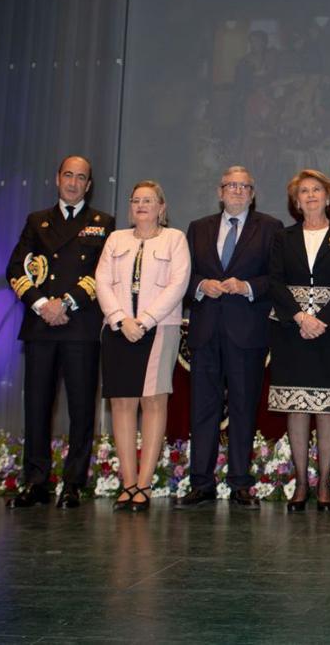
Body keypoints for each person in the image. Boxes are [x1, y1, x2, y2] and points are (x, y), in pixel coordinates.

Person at [5, 156, 115, 510]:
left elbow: (103, 273)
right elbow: (14, 268)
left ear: (89, 184)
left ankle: (73, 482)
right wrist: (42, 305)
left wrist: (65, 303)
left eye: (80, 177)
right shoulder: (37, 221)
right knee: (36, 405)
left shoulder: (102, 223)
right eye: (68, 175)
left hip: (79, 326)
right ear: (57, 179)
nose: (73, 182)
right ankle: (35, 480)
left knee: (81, 409)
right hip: (41, 326)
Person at [176, 166, 282, 510]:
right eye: (231, 185)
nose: (237, 190)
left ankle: (240, 482)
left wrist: (248, 286)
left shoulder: (270, 228)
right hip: (206, 330)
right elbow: (183, 276)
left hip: (247, 333)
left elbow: (277, 278)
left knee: (242, 408)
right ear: (220, 192)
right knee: (202, 410)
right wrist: (200, 286)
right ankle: (201, 482)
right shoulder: (198, 228)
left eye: (244, 186)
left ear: (253, 194)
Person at [267, 169, 330, 512]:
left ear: (329, 196)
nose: (310, 196)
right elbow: (274, 282)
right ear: (295, 201)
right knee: (297, 405)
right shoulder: (282, 237)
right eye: (303, 191)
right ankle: (301, 483)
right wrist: (300, 317)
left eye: (316, 190)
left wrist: (322, 319)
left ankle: (323, 483)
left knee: (326, 405)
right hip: (291, 329)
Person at [95, 181, 190, 512]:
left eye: (148, 200)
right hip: (119, 330)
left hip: (158, 329)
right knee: (122, 405)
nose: (141, 205)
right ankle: (128, 482)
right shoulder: (115, 239)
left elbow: (179, 284)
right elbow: (102, 282)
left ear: (161, 207)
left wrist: (145, 320)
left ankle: (145, 484)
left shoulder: (175, 239)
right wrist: (122, 320)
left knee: (153, 402)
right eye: (135, 200)